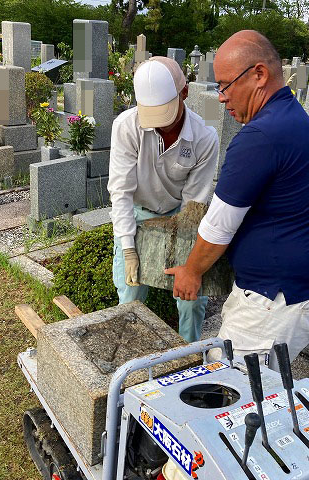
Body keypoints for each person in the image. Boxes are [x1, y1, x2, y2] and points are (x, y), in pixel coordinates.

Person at [164, 31, 309, 370]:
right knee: (257, 383)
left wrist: (191, 271)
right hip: (300, 285)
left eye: (226, 85)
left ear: (258, 75)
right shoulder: (287, 115)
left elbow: (219, 225)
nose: (221, 97)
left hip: (277, 298)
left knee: (233, 384)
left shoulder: (259, 137)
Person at [108, 56, 219, 343]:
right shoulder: (126, 126)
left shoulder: (205, 138)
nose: (160, 127)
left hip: (181, 216)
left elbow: (194, 204)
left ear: (184, 93)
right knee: (130, 297)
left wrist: (188, 263)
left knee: (191, 298)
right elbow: (120, 191)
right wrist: (128, 248)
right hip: (138, 215)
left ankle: (190, 356)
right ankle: (130, 363)